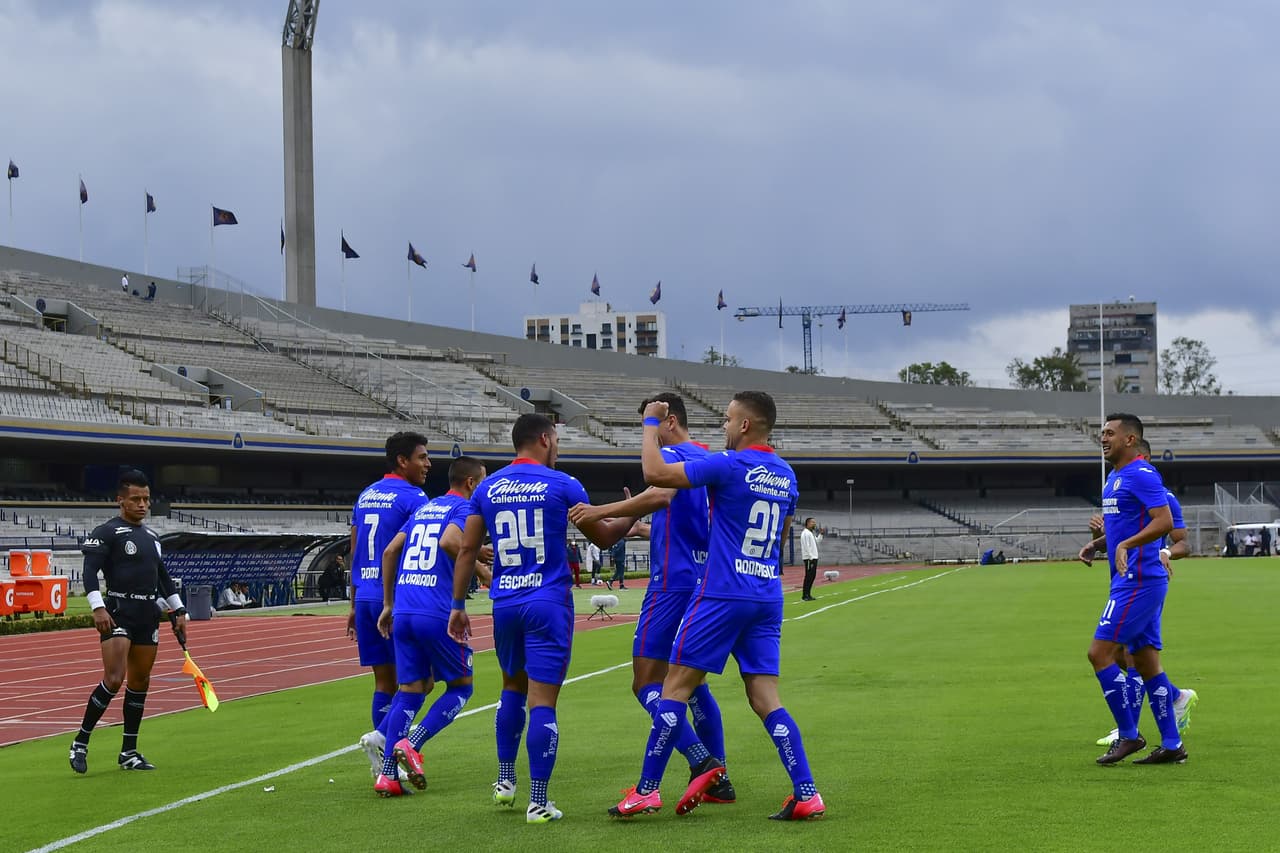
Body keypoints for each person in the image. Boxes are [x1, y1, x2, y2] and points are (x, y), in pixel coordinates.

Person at [609, 391, 825, 821]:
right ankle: (806, 792)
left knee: (673, 688)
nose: (723, 428)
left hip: (722, 593)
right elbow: (778, 534)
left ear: (745, 425)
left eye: (727, 420)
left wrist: (651, 422)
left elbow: (655, 471)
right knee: (766, 697)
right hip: (767, 594)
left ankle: (648, 790)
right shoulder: (786, 474)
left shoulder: (729, 465)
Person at [448, 413, 641, 824]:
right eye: (556, 439)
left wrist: (457, 606)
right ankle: (538, 801)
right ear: (543, 439)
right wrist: (633, 516)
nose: (559, 446)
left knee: (511, 689)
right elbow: (604, 536)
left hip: (506, 605)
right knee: (543, 702)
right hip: (548, 603)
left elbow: (467, 550)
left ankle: (504, 782)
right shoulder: (564, 485)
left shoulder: (488, 487)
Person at [570, 392, 736, 808]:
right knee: (692, 688)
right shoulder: (709, 459)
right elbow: (632, 529)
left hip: (670, 585)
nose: (647, 434)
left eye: (649, 422)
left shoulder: (675, 458)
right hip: (702, 582)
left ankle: (701, 763)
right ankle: (720, 780)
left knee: (646, 682)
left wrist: (597, 510)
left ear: (669, 420)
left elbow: (659, 495)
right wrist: (625, 526)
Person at [371, 456, 493, 797]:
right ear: (471, 484)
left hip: (405, 609)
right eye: (483, 481)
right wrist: (484, 573)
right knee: (461, 686)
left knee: (411, 689)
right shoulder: (465, 510)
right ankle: (412, 744)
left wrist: (389, 603)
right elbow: (450, 543)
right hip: (435, 610)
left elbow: (390, 551)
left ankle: (387, 775)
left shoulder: (426, 508)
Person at [1076, 414, 1185, 765]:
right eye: (1101, 432)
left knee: (1099, 653)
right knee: (1146, 662)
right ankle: (1172, 745)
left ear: (1130, 439)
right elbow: (1127, 526)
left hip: (1138, 579)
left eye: (1109, 433)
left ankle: (1128, 736)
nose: (1102, 438)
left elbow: (1165, 522)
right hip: (1131, 578)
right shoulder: (1115, 478)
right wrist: (1101, 544)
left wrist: (1126, 546)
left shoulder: (1141, 473)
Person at [70, 469, 188, 774]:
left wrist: (178, 611)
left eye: (146, 499)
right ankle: (80, 742)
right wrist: (97, 607)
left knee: (139, 684)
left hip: (147, 615)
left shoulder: (152, 537)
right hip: (118, 610)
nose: (142, 505)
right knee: (114, 678)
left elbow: (162, 578)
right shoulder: (106, 532)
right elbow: (88, 572)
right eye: (136, 499)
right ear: (120, 500)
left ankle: (129, 752)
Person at [351, 432, 430, 776]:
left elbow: (354, 550)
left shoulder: (366, 494)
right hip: (394, 599)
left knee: (384, 683)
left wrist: (353, 604)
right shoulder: (414, 497)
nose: (428, 464)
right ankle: (385, 740)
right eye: (422, 457)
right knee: (421, 681)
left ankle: (386, 761)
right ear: (402, 460)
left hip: (366, 597)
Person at [799, 517, 820, 601]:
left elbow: (817, 541)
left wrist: (821, 534)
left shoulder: (811, 533)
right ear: (807, 523)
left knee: (812, 576)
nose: (814, 524)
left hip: (814, 557)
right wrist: (811, 557)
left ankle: (808, 594)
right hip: (809, 558)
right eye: (812, 522)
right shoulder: (805, 533)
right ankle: (805, 595)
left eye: (814, 522)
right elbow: (806, 546)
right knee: (808, 576)